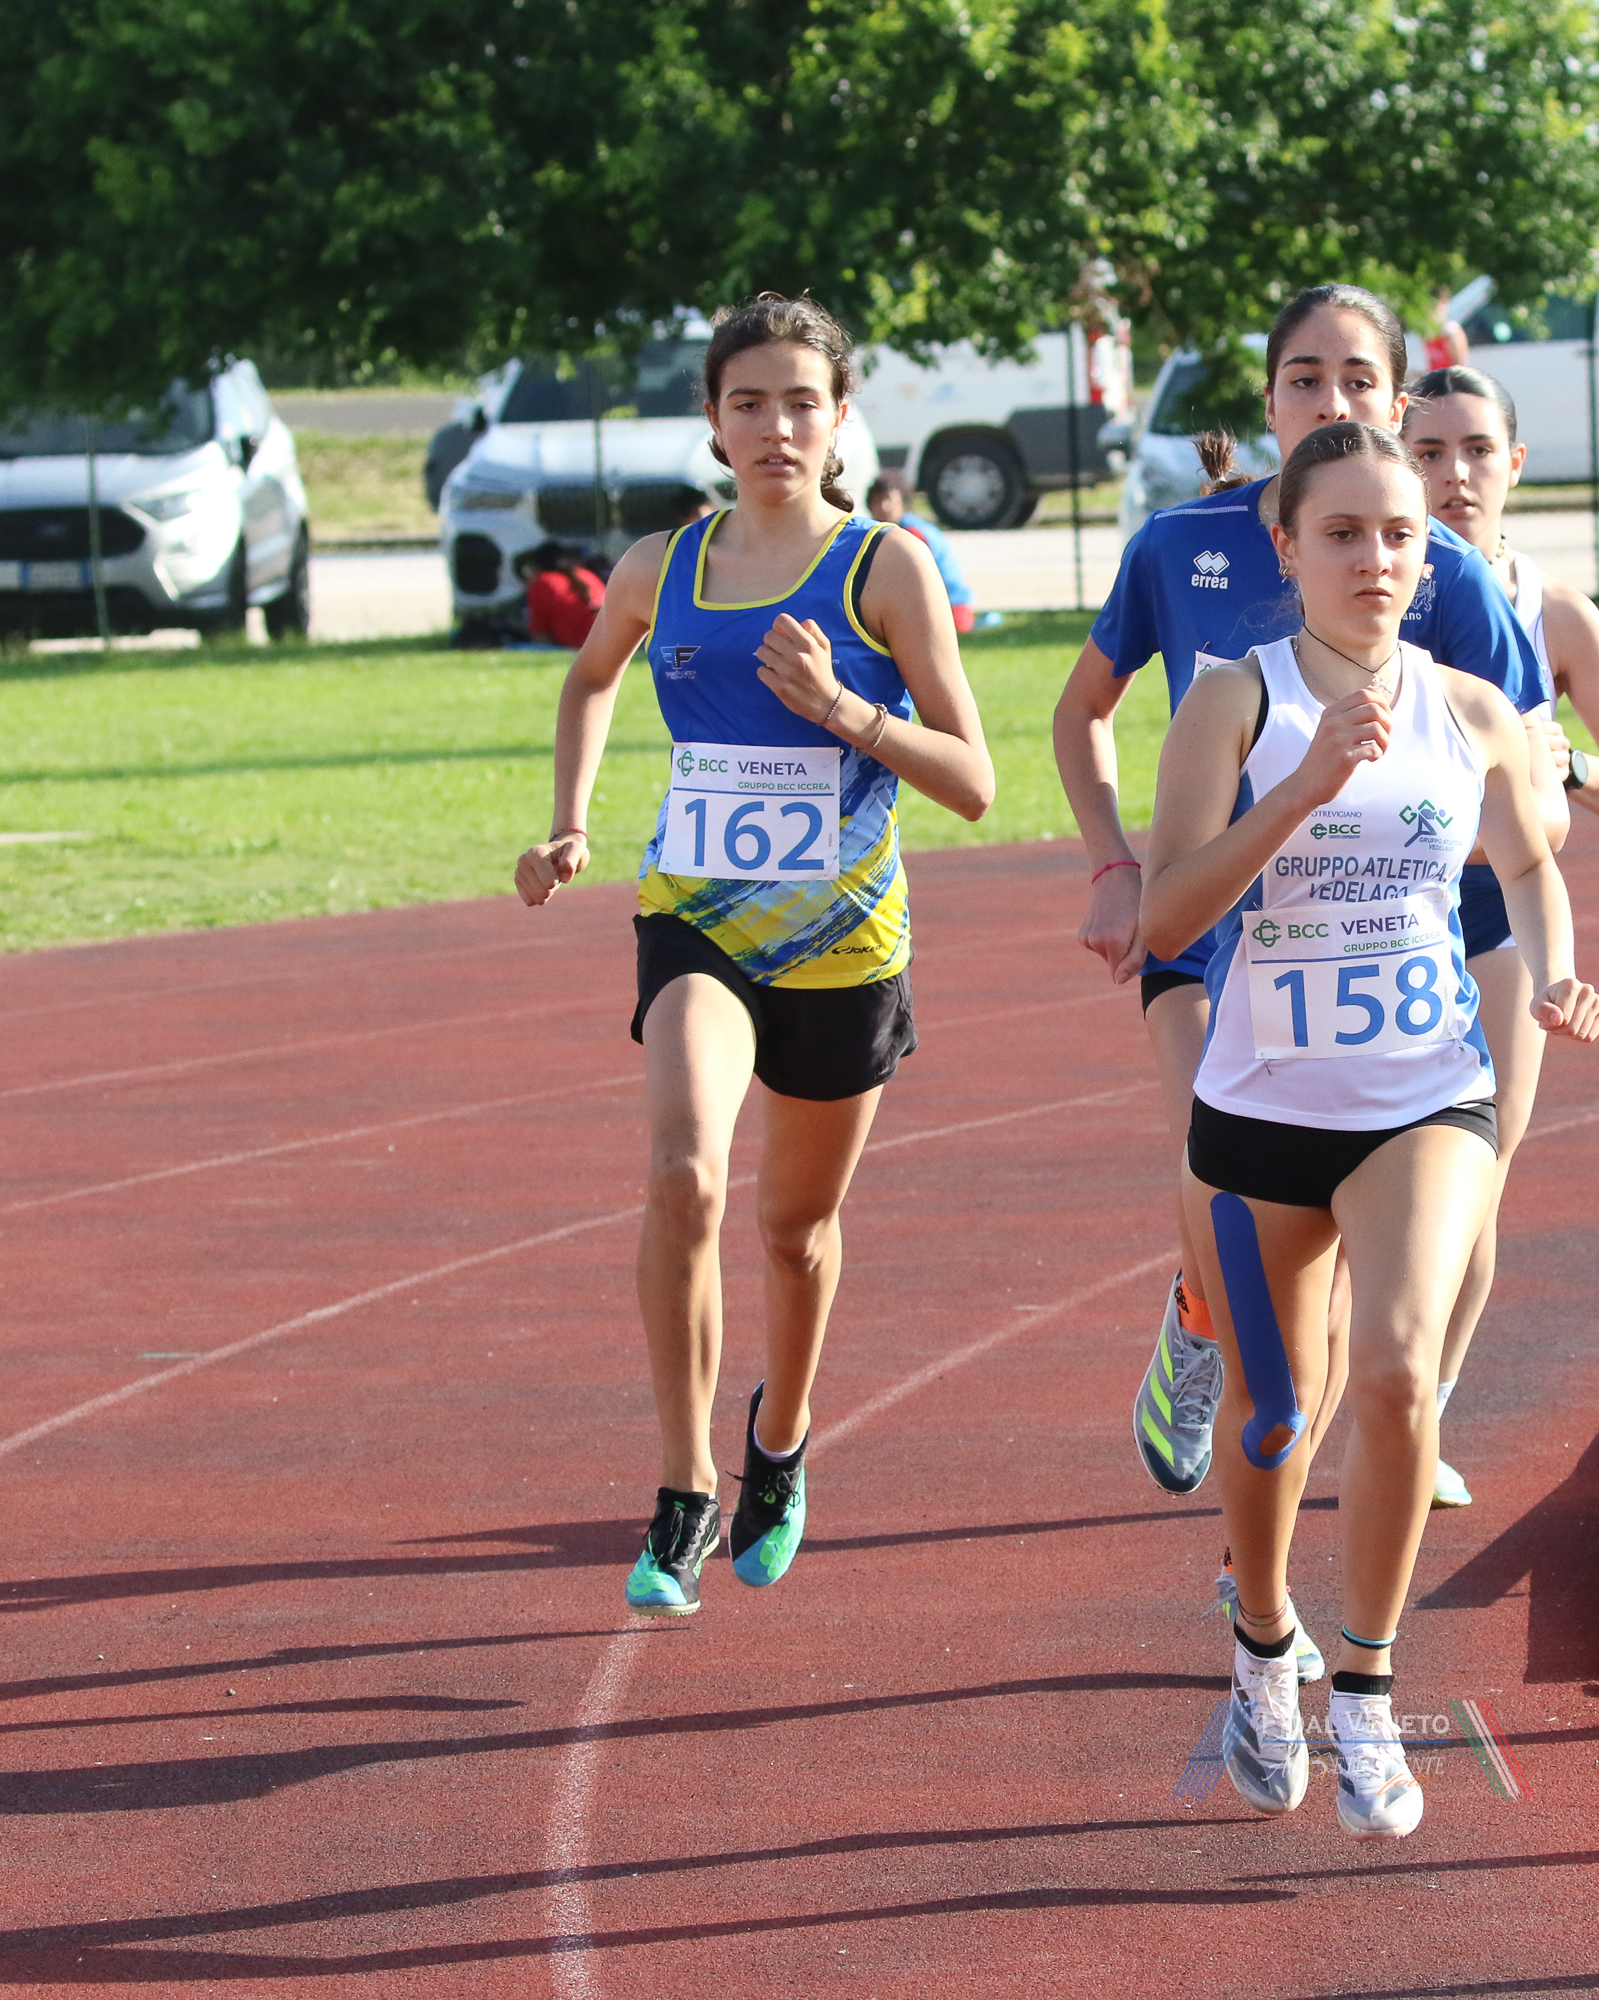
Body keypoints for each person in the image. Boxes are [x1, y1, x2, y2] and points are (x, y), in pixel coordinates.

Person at [1142, 417, 1599, 1838]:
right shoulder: (1235, 701)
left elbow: (1529, 859)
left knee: (1401, 1374)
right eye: (1342, 532)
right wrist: (1301, 788)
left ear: (1431, 554)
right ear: (1285, 547)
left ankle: (1365, 1685)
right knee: (1277, 1411)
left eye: (1401, 534)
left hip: (1425, 1091)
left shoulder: (1472, 708)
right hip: (1261, 1110)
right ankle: (1261, 1643)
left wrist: (1557, 966)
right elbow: (1165, 916)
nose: (1376, 559)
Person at [1048, 284, 1554, 1552]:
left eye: (1358, 381)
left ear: (1398, 399)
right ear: (1269, 397)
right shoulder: (1180, 545)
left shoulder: (1433, 564)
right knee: (1230, 1192)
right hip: (1213, 929)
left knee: (1354, 1280)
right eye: (1304, 379)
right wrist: (1113, 861)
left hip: (1394, 940)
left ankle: (1264, 1549)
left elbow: (1530, 780)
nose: (1330, 399)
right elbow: (1082, 711)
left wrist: (1495, 858)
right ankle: (1201, 1317)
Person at [514, 294, 995, 1617]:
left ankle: (778, 1439)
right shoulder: (660, 565)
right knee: (683, 1174)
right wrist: (568, 821)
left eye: (801, 402)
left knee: (796, 1230)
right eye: (748, 403)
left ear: (840, 419)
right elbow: (591, 676)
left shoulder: (884, 568)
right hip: (698, 922)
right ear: (713, 422)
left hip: (843, 944)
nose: (776, 426)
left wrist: (844, 709)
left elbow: (973, 780)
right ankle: (683, 1489)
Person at [1402, 362, 1599, 1509]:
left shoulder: (1555, 611)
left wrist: (1573, 766)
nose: (1453, 474)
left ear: (1515, 462)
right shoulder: (1377, 580)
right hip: (1376, 911)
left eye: (1476, 451)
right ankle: (1336, 1388)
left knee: (1479, 1172)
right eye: (1428, 451)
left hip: (1499, 916)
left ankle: (1425, 1409)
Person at [864, 468, 978, 634]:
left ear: (902, 500)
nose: (883, 506)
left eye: (888, 499)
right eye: (876, 501)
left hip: (950, 609)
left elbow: (909, 586)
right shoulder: (885, 531)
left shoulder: (911, 533)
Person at [517, 541, 609, 650]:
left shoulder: (543, 583)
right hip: (610, 643)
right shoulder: (585, 575)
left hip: (577, 647)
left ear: (537, 566)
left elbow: (540, 636)